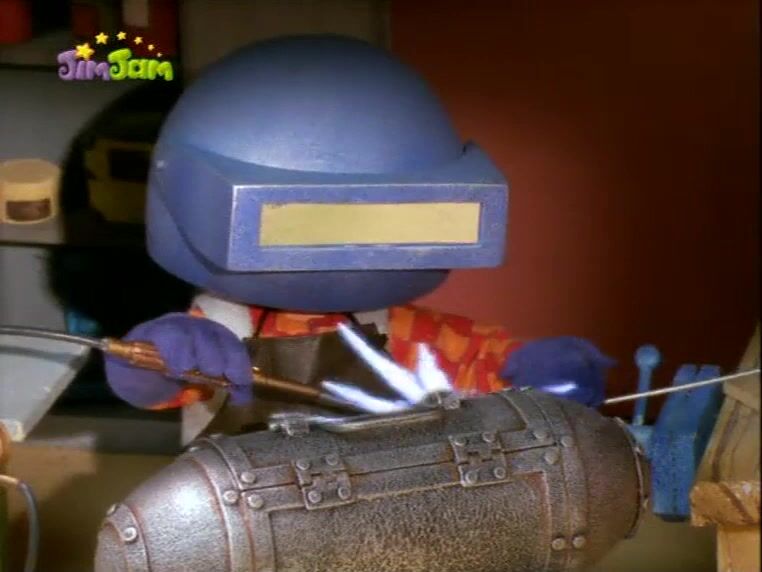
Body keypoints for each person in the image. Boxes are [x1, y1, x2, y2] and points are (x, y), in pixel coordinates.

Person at [105, 35, 614, 441]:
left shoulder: (409, 334)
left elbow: (492, 364)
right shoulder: (218, 330)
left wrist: (548, 373)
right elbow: (146, 383)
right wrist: (160, 357)